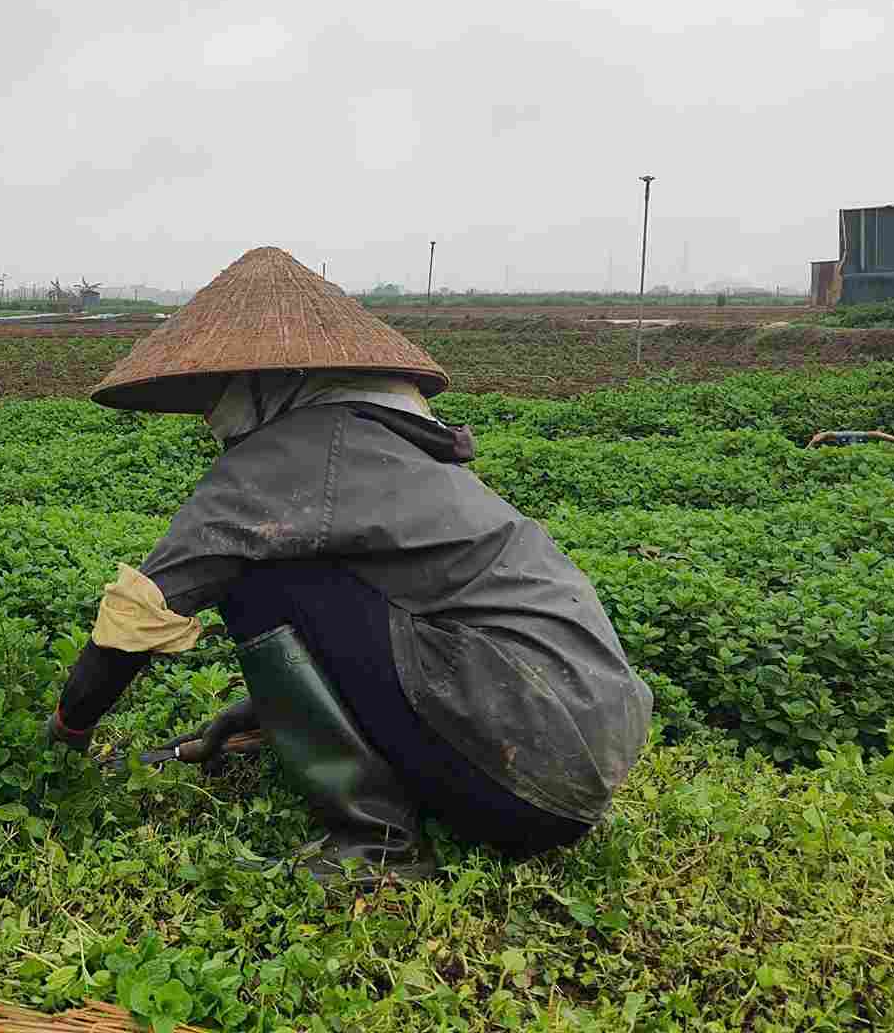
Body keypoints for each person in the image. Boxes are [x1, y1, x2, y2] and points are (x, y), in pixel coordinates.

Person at [45, 246, 653, 884]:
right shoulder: (387, 441)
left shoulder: (286, 454)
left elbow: (146, 605)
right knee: (289, 569)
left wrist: (69, 726)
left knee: (256, 575)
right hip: (575, 759)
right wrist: (269, 714)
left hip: (522, 770)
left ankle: (378, 843)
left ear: (264, 386)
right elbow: (363, 627)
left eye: (220, 394)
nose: (210, 414)